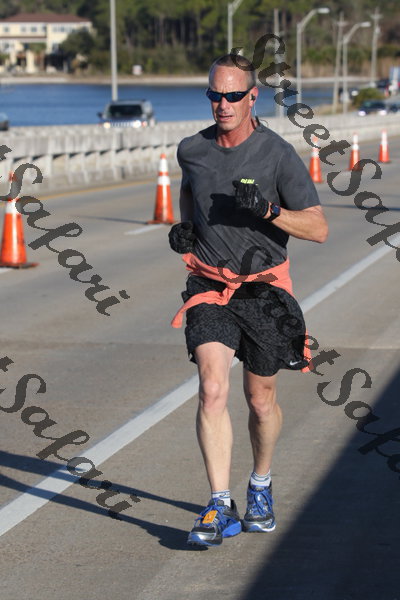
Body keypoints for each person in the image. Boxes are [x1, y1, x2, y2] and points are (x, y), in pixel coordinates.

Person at [168, 53, 328, 547]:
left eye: (233, 95)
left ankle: (260, 484)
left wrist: (269, 210)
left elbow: (318, 228)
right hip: (209, 285)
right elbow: (190, 191)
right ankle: (220, 504)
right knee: (212, 389)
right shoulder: (192, 149)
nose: (223, 104)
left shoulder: (277, 154)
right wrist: (186, 228)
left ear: (252, 97)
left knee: (260, 401)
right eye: (215, 95)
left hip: (264, 291)